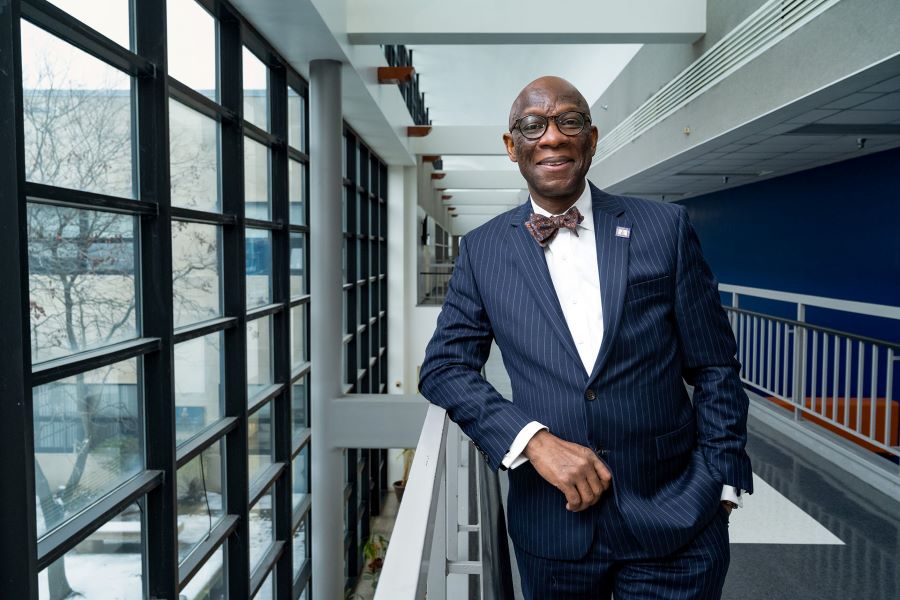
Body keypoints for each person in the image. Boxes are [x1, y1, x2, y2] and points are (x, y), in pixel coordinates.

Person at [418, 76, 753, 599]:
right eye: (533, 126)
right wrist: (532, 440)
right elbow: (444, 367)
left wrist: (722, 481)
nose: (552, 137)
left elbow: (714, 365)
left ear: (591, 139)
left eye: (568, 122)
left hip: (677, 519)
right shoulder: (483, 250)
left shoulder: (664, 227)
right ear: (512, 146)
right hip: (553, 526)